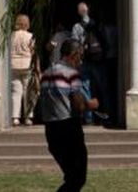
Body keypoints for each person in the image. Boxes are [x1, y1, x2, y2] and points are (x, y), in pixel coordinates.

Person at [40, 39, 99, 191]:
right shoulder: (71, 74)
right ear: (73, 55)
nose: (81, 60)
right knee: (78, 177)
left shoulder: (47, 72)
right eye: (80, 55)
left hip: (51, 129)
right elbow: (78, 105)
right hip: (68, 128)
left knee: (71, 176)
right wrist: (90, 105)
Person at [71, 2, 108, 123]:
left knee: (85, 88)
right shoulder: (98, 24)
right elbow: (106, 41)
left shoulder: (76, 27)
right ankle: (109, 114)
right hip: (98, 59)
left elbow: (74, 44)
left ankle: (89, 117)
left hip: (84, 61)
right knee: (103, 87)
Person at [9, 13, 38, 126]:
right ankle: (28, 117)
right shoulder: (31, 36)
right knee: (28, 92)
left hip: (13, 65)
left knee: (15, 92)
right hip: (27, 65)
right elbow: (33, 52)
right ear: (27, 24)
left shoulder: (11, 35)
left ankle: (15, 117)